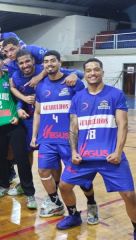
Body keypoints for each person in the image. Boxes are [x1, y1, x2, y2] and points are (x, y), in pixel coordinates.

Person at [57, 58, 136, 231]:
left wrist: (118, 151)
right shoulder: (78, 98)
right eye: (89, 70)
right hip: (84, 157)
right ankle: (74, 216)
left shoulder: (116, 94)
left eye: (96, 69)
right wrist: (73, 152)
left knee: (130, 195)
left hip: (110, 157)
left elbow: (122, 125)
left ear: (102, 73)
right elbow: (73, 128)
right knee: (64, 186)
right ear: (84, 74)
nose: (92, 73)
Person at [30, 51, 98, 221]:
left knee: (81, 177)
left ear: (60, 62)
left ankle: (91, 203)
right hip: (47, 139)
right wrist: (34, 136)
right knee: (43, 170)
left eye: (53, 61)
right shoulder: (41, 86)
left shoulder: (73, 83)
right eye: (46, 62)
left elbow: (85, 109)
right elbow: (37, 113)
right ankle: (56, 203)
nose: (49, 64)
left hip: (70, 141)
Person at [0, 50, 37, 209]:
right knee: (0, 158)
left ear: (2, 63)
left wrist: (18, 117)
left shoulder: (10, 79)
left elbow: (19, 99)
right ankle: (4, 185)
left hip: (14, 123)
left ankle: (29, 193)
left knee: (21, 158)